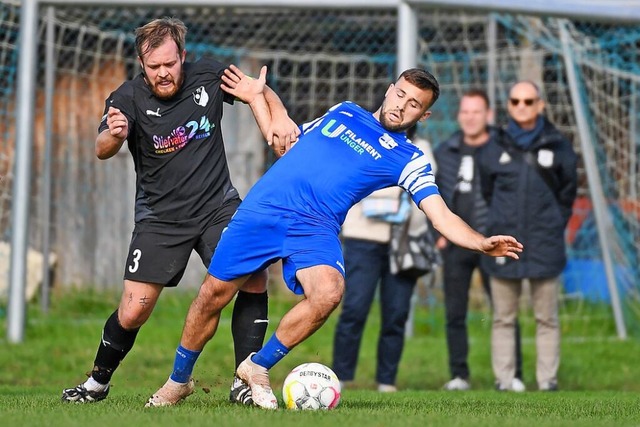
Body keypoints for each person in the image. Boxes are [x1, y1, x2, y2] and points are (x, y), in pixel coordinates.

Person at [147, 66, 523, 409]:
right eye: (400, 95)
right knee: (213, 294)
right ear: (389, 89)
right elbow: (286, 139)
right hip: (266, 209)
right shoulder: (343, 111)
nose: (402, 106)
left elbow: (440, 214)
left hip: (316, 226)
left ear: (423, 115)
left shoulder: (408, 158)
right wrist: (261, 95)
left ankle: (256, 366)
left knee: (328, 291)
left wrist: (479, 241)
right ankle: (178, 381)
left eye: (414, 105)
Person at [61, 17, 299, 404]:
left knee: (253, 276)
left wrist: (281, 114)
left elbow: (257, 89)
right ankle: (97, 383)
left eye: (170, 64)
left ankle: (246, 381)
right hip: (160, 218)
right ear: (142, 64)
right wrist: (114, 134)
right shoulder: (127, 98)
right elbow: (102, 146)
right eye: (154, 67)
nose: (163, 73)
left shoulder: (208, 75)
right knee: (134, 309)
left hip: (216, 206)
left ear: (182, 57)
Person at [477, 81, 577, 392]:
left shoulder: (559, 146)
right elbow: (487, 191)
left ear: (540, 105)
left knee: (546, 318)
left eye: (528, 101)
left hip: (544, 245)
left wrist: (550, 225)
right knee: (503, 317)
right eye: (516, 101)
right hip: (504, 245)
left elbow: (567, 193)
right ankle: (504, 381)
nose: (522, 106)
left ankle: (547, 381)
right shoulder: (492, 147)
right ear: (508, 105)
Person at [331, 125, 437, 393]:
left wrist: (384, 184)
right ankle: (341, 377)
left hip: (404, 242)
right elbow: (355, 181)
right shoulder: (362, 137)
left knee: (396, 313)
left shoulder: (421, 147)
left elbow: (426, 190)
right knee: (354, 309)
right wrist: (395, 185)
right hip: (362, 238)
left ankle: (386, 381)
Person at [434, 89, 525, 392]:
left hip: (494, 242)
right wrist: (441, 234)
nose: (470, 117)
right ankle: (459, 375)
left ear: (487, 116)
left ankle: (513, 376)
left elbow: (515, 194)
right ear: (459, 116)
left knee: (504, 310)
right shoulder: (445, 151)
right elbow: (435, 197)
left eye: (476, 112)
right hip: (457, 244)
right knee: (454, 312)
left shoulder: (504, 150)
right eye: (465, 112)